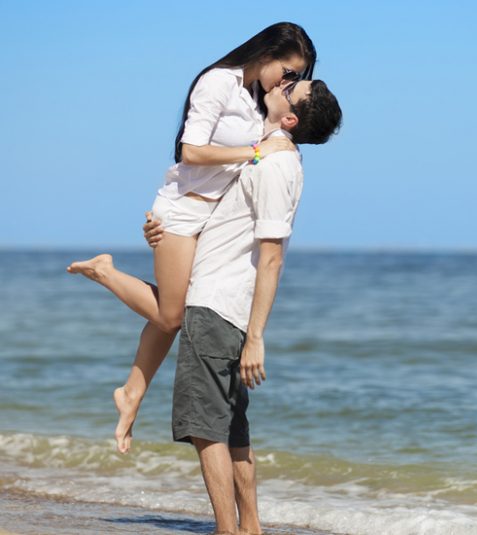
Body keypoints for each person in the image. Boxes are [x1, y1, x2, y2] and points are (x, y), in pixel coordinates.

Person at [66, 22, 316, 454]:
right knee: (172, 316)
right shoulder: (217, 82)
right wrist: (256, 152)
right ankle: (105, 272)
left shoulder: (258, 100)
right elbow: (191, 151)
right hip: (183, 212)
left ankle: (130, 394)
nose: (288, 82)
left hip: (210, 219)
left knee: (172, 316)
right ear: (269, 52)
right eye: (289, 71)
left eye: (296, 78)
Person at [144, 79, 342, 535]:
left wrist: (256, 338)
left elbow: (271, 255)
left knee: (204, 427)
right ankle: (249, 527)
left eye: (292, 86)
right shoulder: (260, 156)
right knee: (231, 426)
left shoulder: (277, 166)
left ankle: (227, 530)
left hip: (217, 304)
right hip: (222, 305)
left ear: (289, 118)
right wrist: (162, 230)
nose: (281, 82)